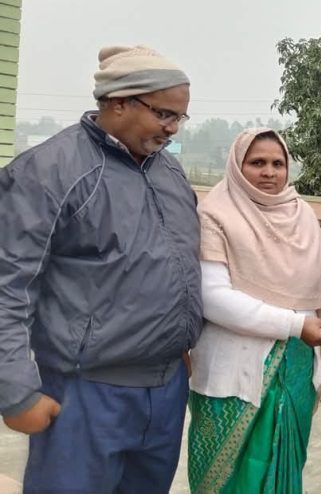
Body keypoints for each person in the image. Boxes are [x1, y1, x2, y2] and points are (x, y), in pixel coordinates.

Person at [0, 46, 200, 492]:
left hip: (166, 390)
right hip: (85, 392)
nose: (172, 128)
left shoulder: (170, 173)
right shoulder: (49, 171)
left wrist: (180, 340)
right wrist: (14, 389)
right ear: (118, 102)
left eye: (180, 118)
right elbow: (9, 285)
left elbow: (181, 265)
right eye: (164, 114)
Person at [188, 127, 321, 493]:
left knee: (284, 471)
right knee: (228, 479)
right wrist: (295, 324)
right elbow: (214, 298)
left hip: (296, 365)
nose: (269, 172)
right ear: (237, 166)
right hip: (232, 372)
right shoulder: (215, 214)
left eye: (278, 163)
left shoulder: (303, 215)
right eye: (257, 162)